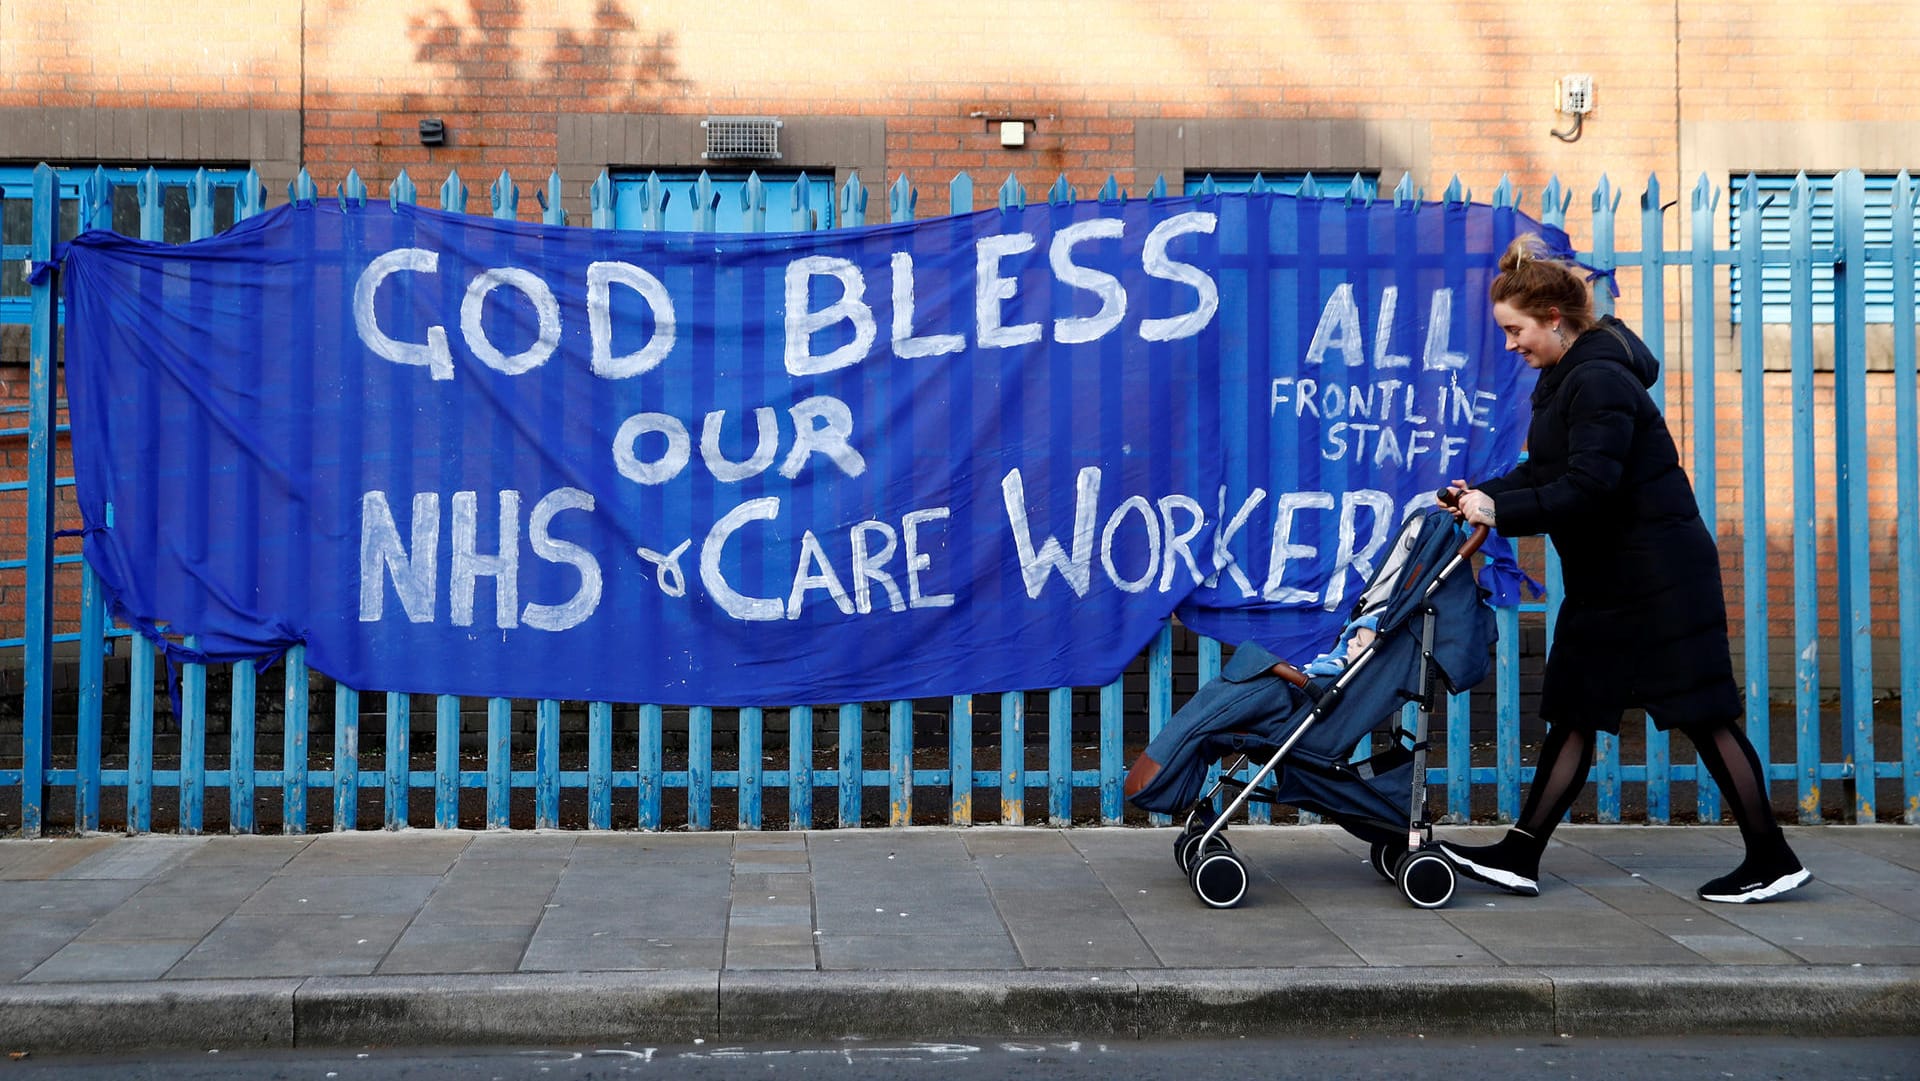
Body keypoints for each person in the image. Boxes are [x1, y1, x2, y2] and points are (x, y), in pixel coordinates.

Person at [1438, 233, 1809, 905]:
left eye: (1516, 330)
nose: (1511, 344)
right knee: (1576, 707)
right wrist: (1482, 495)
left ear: (1554, 319)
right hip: (1618, 574)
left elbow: (1590, 488)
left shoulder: (1600, 379)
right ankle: (1522, 853)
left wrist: (1504, 511)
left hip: (1655, 576)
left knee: (1704, 712)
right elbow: (1546, 471)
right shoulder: (1568, 377)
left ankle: (1772, 856)